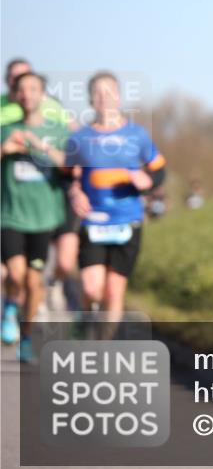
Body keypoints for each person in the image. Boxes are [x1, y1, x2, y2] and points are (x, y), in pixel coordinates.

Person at [65, 71, 166, 333]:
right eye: (98, 93)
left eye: (109, 92)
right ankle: (84, 317)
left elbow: (158, 169)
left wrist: (148, 180)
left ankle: (100, 350)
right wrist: (75, 192)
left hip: (128, 221)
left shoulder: (137, 135)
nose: (104, 98)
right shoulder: (80, 138)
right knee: (91, 287)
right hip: (94, 220)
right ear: (90, 100)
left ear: (119, 97)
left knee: (113, 291)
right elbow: (66, 176)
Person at [0, 72, 70, 361]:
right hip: (12, 216)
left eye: (33, 89)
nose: (27, 94)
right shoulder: (6, 130)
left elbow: (70, 168)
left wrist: (41, 147)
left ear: (43, 95)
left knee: (34, 282)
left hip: (43, 219)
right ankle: (10, 305)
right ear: (15, 95)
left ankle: (26, 337)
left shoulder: (58, 132)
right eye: (22, 89)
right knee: (15, 274)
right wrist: (6, 149)